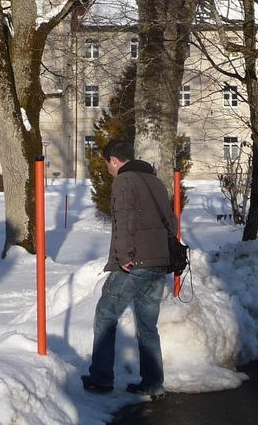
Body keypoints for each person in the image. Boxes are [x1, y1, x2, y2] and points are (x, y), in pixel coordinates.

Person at [82, 139, 177, 399]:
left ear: (113, 159)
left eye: (106, 164)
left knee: (105, 314)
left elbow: (124, 219)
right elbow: (172, 220)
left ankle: (101, 378)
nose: (108, 169)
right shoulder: (155, 181)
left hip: (135, 262)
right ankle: (153, 383)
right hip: (159, 262)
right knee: (148, 326)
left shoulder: (124, 181)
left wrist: (124, 255)